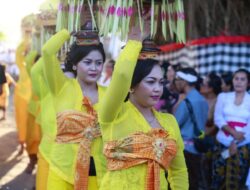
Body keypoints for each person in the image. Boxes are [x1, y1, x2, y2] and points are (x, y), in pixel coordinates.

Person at [99, 40, 188, 190]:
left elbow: (179, 170)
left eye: (161, 82)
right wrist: (134, 41)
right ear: (131, 86)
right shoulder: (114, 114)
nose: (158, 89)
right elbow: (121, 75)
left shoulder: (169, 121)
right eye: (151, 82)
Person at [42, 29, 107, 190]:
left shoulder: (109, 95)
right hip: (61, 172)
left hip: (98, 174)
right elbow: (47, 52)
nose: (94, 68)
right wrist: (67, 31)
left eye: (99, 63)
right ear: (75, 64)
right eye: (88, 62)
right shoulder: (61, 87)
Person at [211, 68, 250, 190]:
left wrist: (236, 143)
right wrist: (233, 132)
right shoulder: (223, 96)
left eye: (242, 79)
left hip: (242, 145)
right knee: (217, 176)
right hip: (222, 142)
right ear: (232, 81)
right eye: (236, 78)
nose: (238, 82)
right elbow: (218, 118)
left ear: (248, 83)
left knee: (236, 181)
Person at [173, 67, 208, 190]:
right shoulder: (203, 100)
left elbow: (174, 125)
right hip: (198, 147)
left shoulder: (186, 102)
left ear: (185, 81)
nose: (176, 82)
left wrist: (177, 103)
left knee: (184, 183)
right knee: (194, 182)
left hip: (185, 149)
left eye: (178, 79)